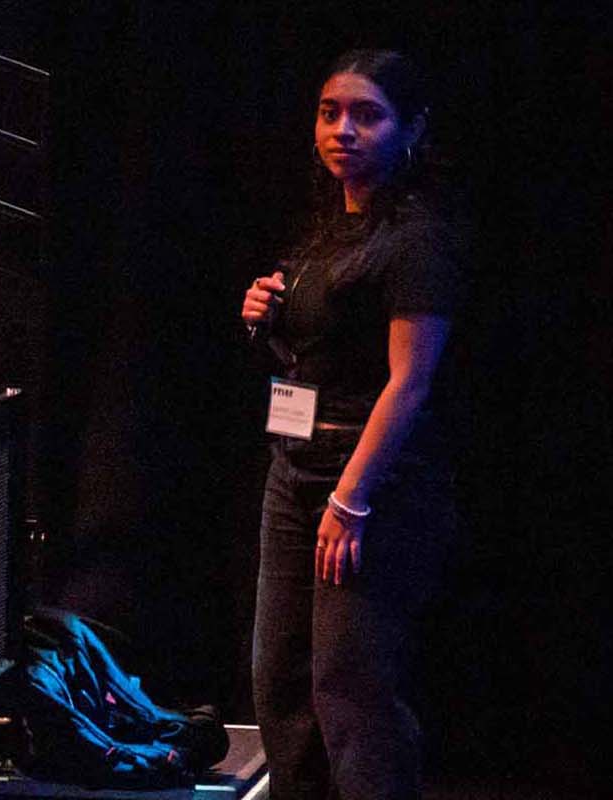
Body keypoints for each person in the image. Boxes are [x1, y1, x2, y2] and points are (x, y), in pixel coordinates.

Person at [238, 49, 464, 800]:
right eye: (330, 112)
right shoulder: (330, 228)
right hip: (294, 474)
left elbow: (411, 379)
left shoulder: (417, 239)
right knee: (280, 681)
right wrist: (264, 316)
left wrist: (352, 498)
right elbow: (319, 356)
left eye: (368, 115)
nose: (344, 130)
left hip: (370, 486)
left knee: (350, 690)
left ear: (411, 129)